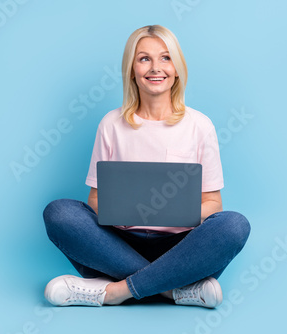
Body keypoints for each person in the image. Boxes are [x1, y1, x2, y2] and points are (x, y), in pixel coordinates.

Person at [42, 25, 250, 309]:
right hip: (117, 246)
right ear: (131, 70)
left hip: (181, 249)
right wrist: (123, 214)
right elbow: (95, 200)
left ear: (177, 68)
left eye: (165, 58)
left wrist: (169, 215)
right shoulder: (111, 124)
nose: (156, 68)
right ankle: (171, 289)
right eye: (144, 59)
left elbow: (213, 204)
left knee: (234, 225)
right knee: (59, 213)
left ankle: (114, 291)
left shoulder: (200, 126)